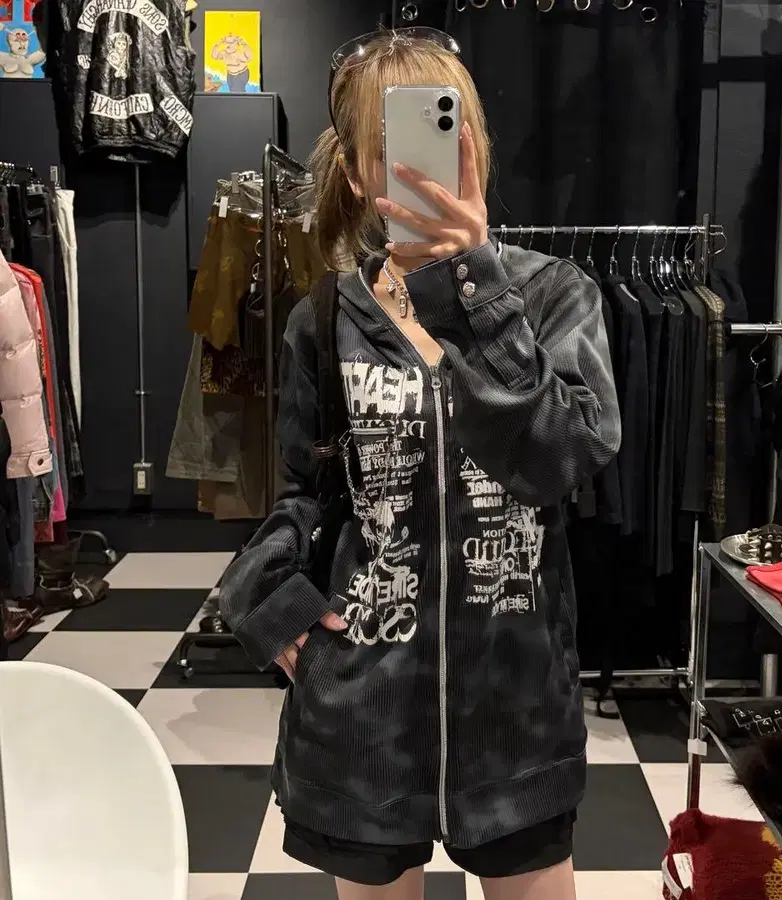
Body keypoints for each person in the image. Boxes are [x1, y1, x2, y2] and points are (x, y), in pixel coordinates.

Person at [218, 27, 620, 900]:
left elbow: (562, 457)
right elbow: (300, 494)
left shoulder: (554, 297)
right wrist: (271, 600)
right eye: (392, 148)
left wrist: (472, 290)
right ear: (356, 172)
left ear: (476, 146)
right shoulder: (324, 319)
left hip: (514, 719)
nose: (424, 166)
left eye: (446, 134)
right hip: (363, 719)